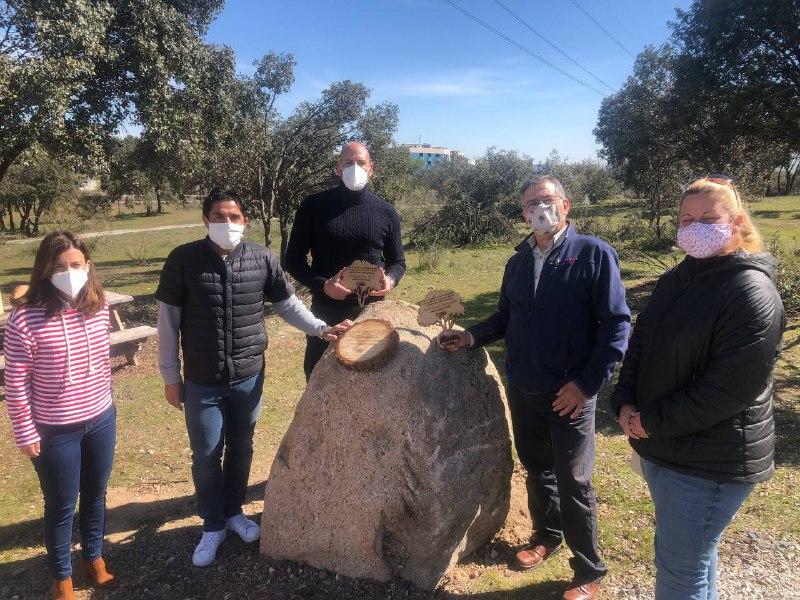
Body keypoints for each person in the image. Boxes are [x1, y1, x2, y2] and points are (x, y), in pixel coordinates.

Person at [437, 176, 630, 600]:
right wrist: (469, 336)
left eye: (546, 200)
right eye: (530, 204)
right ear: (522, 213)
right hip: (524, 386)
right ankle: (547, 535)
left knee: (574, 479)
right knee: (538, 467)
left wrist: (584, 386)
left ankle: (587, 569)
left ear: (565, 205)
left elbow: (616, 327)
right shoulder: (518, 261)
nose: (538, 209)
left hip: (570, 395)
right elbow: (505, 317)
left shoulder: (593, 254)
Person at [155, 188, 351, 567]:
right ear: (205, 220)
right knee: (207, 454)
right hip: (201, 379)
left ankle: (233, 513)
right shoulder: (183, 260)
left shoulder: (262, 258)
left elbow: (287, 304)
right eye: (218, 216)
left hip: (248, 375)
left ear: (244, 221)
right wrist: (170, 377)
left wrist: (321, 329)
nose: (226, 223)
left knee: (242, 446)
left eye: (234, 216)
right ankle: (212, 525)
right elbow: (168, 323)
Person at [610, 176, 785, 600]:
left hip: (710, 460)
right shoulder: (681, 277)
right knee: (693, 562)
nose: (695, 227)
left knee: (679, 574)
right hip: (668, 445)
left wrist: (648, 421)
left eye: (708, 217)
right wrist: (624, 401)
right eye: (687, 219)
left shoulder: (750, 292)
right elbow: (642, 343)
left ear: (736, 222)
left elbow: (727, 390)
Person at [3, 231, 117, 600]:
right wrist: (25, 431)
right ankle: (63, 580)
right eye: (58, 266)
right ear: (44, 270)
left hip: (101, 418)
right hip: (55, 430)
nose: (68, 272)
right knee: (62, 506)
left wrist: (106, 403)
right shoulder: (24, 319)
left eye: (75, 264)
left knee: (96, 495)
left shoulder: (98, 306)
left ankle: (94, 559)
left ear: (88, 266)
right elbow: (16, 381)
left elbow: (102, 362)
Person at [285, 141, 406, 380]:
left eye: (361, 163)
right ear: (338, 167)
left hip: (372, 315)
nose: (355, 168)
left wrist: (390, 281)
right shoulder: (313, 206)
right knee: (320, 381)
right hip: (326, 315)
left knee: (371, 385)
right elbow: (293, 260)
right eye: (348, 163)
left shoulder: (386, 211)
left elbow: (398, 262)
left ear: (372, 168)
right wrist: (323, 285)